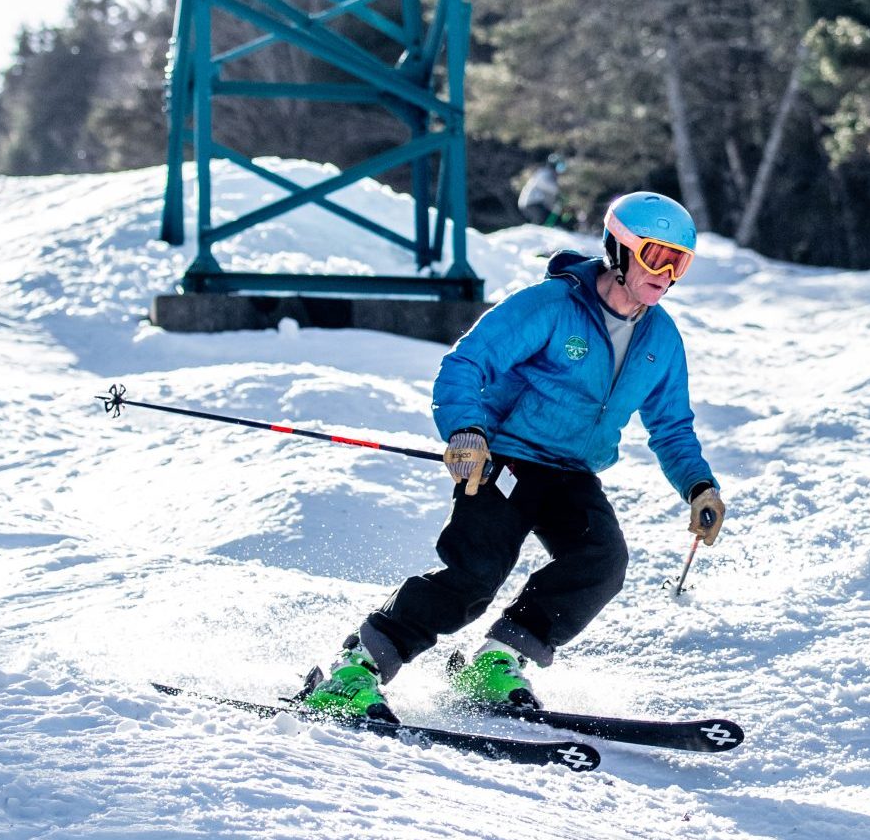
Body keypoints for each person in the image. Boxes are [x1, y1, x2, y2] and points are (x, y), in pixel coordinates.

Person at [300, 192, 727, 721]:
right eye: (655, 257)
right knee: (475, 575)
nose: (666, 274)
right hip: (505, 460)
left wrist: (698, 485)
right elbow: (465, 364)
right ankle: (357, 666)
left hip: (571, 474)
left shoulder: (661, 337)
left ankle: (496, 660)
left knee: (600, 562)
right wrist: (466, 431)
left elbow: (671, 426)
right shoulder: (550, 306)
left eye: (679, 262)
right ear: (618, 250)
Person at [517, 157, 563, 226]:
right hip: (532, 202)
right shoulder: (545, 173)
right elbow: (547, 185)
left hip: (535, 203)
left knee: (547, 219)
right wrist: (560, 190)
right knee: (541, 220)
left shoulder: (548, 173)